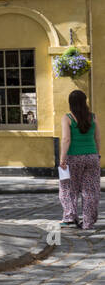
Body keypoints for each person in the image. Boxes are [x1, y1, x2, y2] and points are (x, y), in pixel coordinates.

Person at [59, 89, 100, 230]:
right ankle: (88, 222)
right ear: (85, 101)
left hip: (73, 157)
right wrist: (97, 155)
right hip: (92, 156)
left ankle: (70, 218)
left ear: (70, 103)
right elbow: (97, 138)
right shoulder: (93, 117)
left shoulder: (67, 118)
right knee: (90, 190)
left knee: (68, 188)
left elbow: (66, 139)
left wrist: (62, 159)